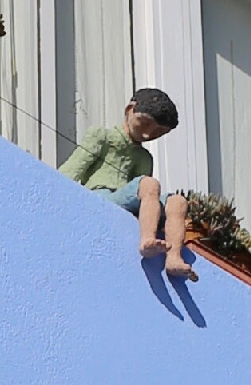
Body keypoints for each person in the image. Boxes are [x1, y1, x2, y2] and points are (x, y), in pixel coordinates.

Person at [59, 88, 195, 279]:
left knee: (178, 202)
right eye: (145, 124)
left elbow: (146, 200)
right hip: (102, 195)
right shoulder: (102, 136)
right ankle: (147, 239)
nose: (148, 134)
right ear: (129, 109)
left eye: (158, 133)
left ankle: (173, 258)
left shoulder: (144, 157)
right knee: (149, 184)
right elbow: (71, 170)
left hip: (128, 203)